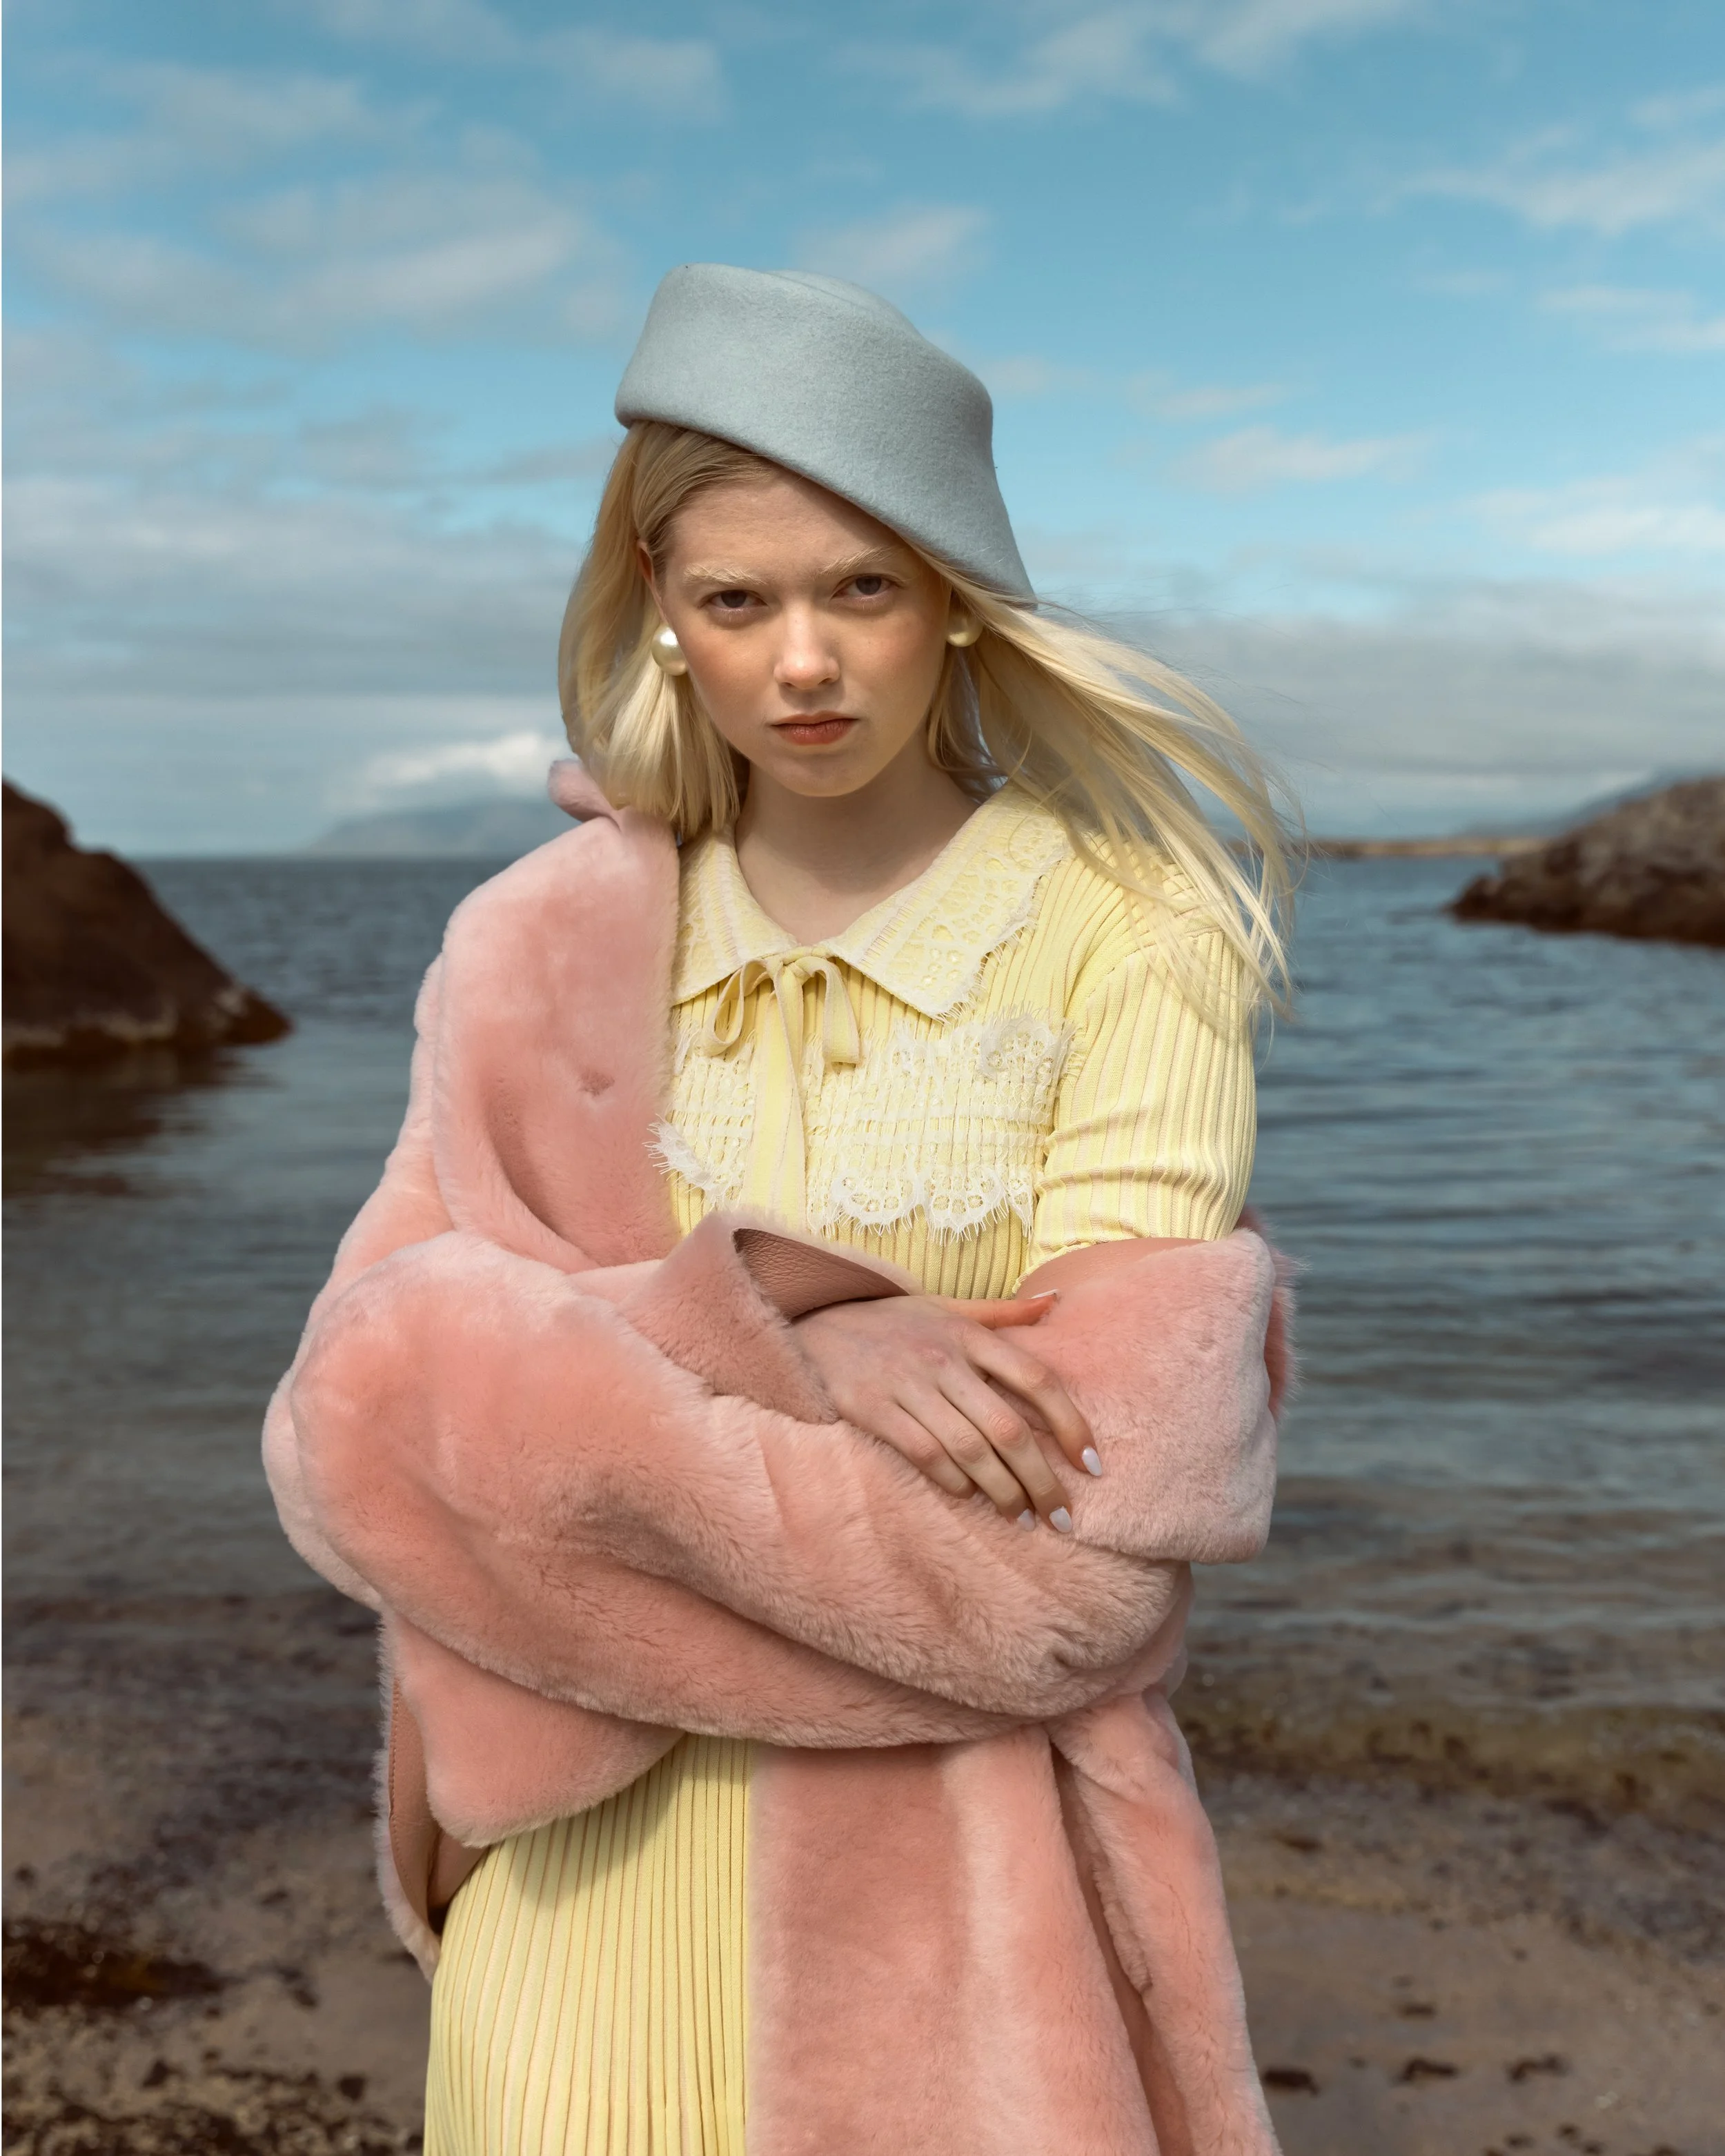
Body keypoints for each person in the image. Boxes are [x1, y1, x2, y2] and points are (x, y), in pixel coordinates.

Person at [270, 264, 1294, 2155]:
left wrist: (575, 1472)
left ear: (958, 602)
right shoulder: (534, 942)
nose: (801, 666)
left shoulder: (1125, 932)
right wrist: (796, 1326)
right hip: (566, 1888)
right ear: (659, 609)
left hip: (964, 1914)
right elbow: (364, 1431)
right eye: (736, 601)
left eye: (862, 590)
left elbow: (1072, 1585)